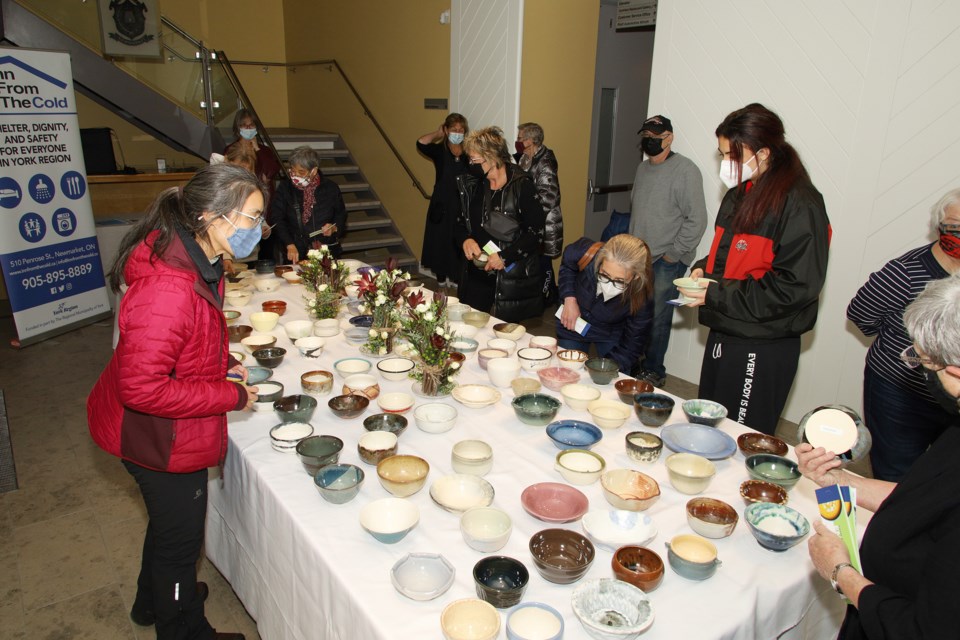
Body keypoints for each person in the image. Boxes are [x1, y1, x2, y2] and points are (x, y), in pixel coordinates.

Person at [87, 164, 263, 640]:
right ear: (212, 216)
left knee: (168, 532)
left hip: (158, 429)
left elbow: (187, 339)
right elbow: (142, 388)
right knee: (180, 545)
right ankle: (182, 626)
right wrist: (228, 393)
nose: (258, 230)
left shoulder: (198, 258)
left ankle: (155, 601)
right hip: (155, 439)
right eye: (252, 217)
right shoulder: (168, 287)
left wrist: (219, 361)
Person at [798, 274, 960, 640]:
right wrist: (839, 479)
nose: (917, 368)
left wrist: (841, 573)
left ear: (953, 371)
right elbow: (922, 500)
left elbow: (922, 630)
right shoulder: (955, 430)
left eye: (921, 360)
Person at [685, 103, 831, 435]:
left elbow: (795, 286)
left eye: (732, 155)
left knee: (741, 436)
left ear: (763, 153)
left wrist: (716, 292)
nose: (725, 164)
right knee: (708, 427)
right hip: (727, 328)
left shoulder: (800, 203)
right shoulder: (740, 194)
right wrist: (701, 271)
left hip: (763, 343)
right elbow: (725, 257)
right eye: (722, 155)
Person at [846, 188, 960, 481]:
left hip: (953, 401)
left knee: (941, 480)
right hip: (900, 395)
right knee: (896, 475)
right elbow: (861, 315)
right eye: (955, 227)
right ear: (940, 227)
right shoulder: (906, 272)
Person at [628, 115, 708, 387]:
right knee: (637, 313)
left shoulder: (686, 170)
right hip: (639, 257)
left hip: (666, 260)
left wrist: (675, 254)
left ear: (669, 138)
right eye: (646, 136)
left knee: (659, 318)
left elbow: (697, 219)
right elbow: (637, 210)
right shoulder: (642, 169)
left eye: (655, 136)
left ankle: (654, 370)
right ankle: (635, 362)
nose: (649, 141)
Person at [454, 126, 546, 322]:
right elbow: (460, 221)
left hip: (508, 278)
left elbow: (536, 234)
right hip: (476, 274)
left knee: (501, 338)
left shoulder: (522, 186)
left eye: (475, 159)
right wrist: (465, 240)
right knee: (470, 328)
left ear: (492, 157)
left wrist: (505, 257)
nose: (471, 164)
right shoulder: (474, 184)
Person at [556, 234, 654, 373]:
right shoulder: (587, 253)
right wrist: (569, 298)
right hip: (573, 324)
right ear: (600, 261)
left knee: (611, 377)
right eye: (604, 274)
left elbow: (634, 342)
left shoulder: (642, 294)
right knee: (567, 372)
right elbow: (568, 263)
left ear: (636, 276)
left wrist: (609, 369)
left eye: (620, 281)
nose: (609, 285)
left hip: (610, 332)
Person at [417, 113, 469, 287]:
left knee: (457, 240)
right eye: (454, 129)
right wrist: (437, 134)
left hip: (461, 204)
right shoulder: (440, 150)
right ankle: (440, 279)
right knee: (439, 240)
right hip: (441, 204)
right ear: (446, 130)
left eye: (461, 130)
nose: (458, 132)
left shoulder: (468, 152)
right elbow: (421, 143)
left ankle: (455, 277)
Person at [272, 145, 347, 263]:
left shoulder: (330, 188)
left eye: (301, 172)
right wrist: (289, 243)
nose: (295, 175)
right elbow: (277, 218)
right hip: (295, 249)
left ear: (313, 171)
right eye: (292, 170)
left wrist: (334, 228)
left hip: (325, 249)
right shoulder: (285, 188)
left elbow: (340, 215)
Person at [224, 109, 282, 261]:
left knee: (266, 257)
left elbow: (270, 172)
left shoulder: (265, 151)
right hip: (240, 213)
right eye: (244, 125)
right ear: (238, 128)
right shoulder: (230, 151)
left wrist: (257, 149)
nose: (248, 129)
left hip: (264, 212)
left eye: (251, 125)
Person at [516, 122, 563, 304]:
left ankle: (548, 297)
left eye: (520, 138)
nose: (518, 141)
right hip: (530, 221)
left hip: (545, 223)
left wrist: (527, 211)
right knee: (534, 260)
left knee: (544, 262)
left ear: (530, 140)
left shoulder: (545, 162)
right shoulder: (524, 158)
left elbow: (549, 197)